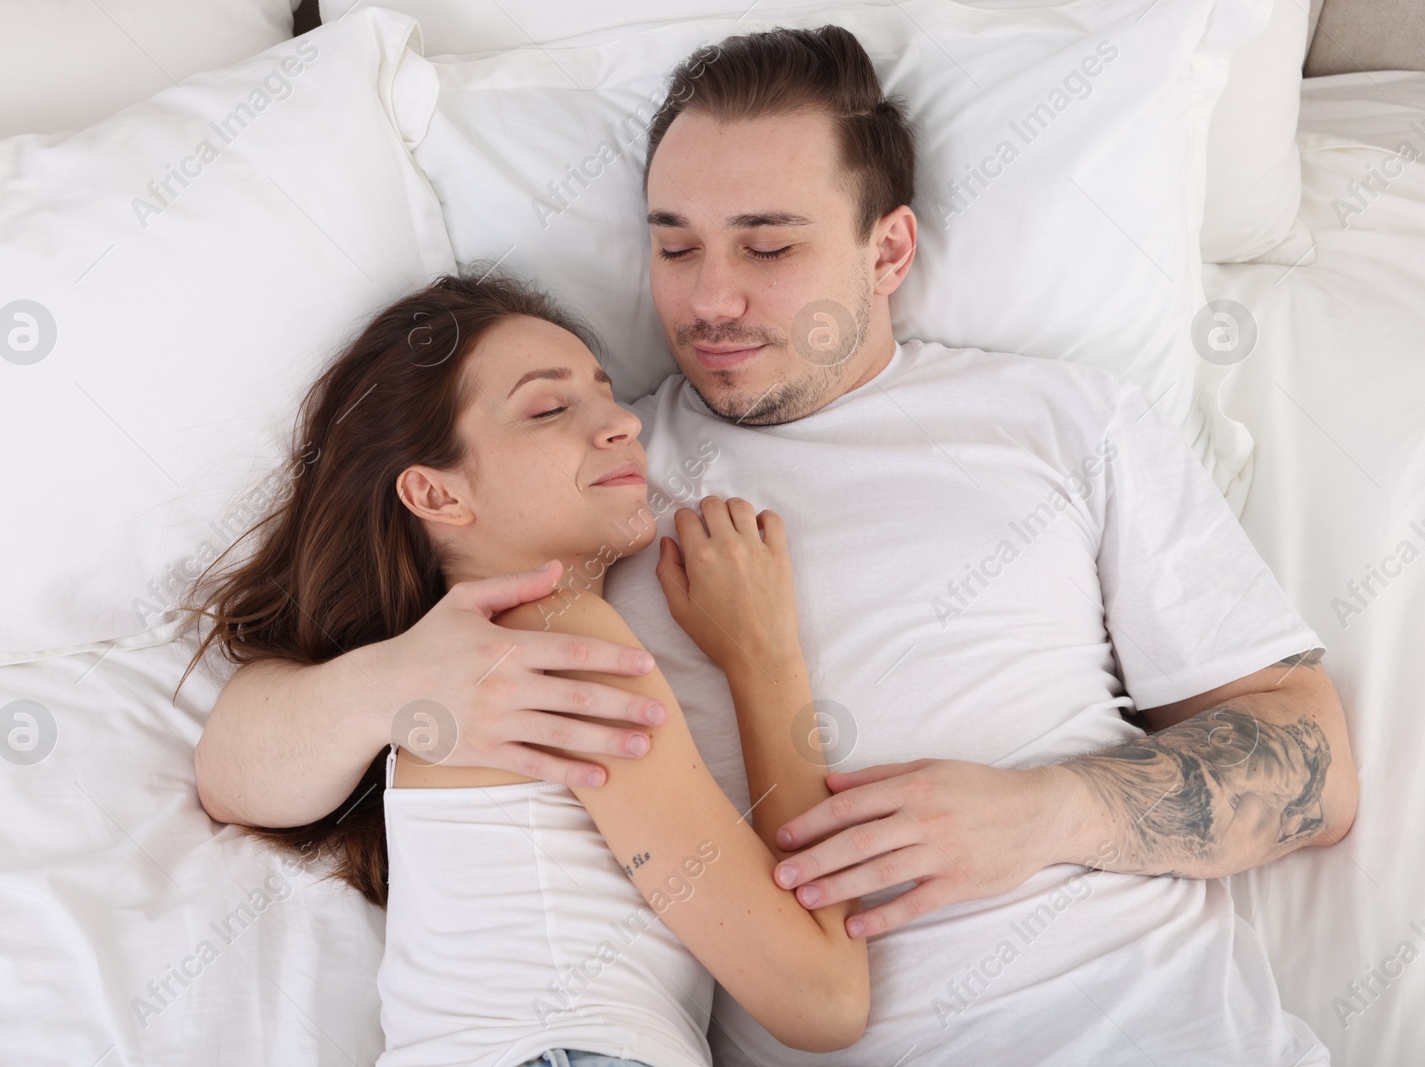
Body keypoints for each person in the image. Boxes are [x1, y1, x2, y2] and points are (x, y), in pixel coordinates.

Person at [194, 25, 1357, 1066]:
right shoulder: (581, 483)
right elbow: (242, 755)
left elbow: (1310, 759)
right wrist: (395, 682)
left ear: (887, 252)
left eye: (767, 247)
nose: (710, 301)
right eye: (676, 245)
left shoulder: (1066, 421)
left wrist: (1052, 811)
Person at [184, 272, 871, 1067]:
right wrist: (765, 658)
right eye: (549, 408)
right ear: (437, 494)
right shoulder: (557, 639)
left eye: (607, 394)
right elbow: (823, 1001)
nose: (620, 422)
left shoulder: (489, 665)